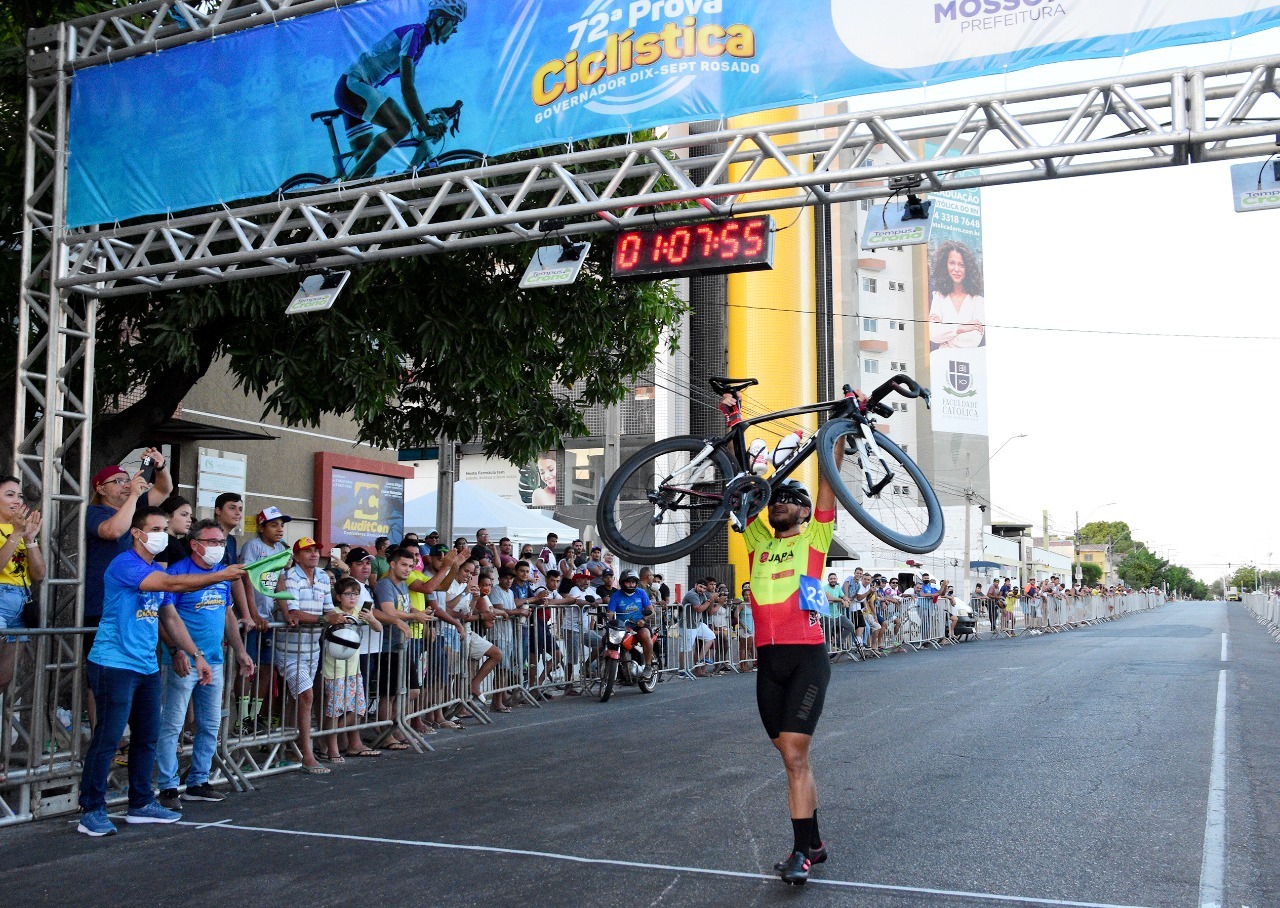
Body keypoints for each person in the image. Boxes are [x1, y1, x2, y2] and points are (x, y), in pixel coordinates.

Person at [77, 506, 244, 837]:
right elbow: (172, 584)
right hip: (114, 663)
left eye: (166, 529)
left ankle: (140, 803)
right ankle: (91, 809)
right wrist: (220, 575)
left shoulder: (153, 567)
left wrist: (194, 653)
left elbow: (169, 616)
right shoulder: (126, 563)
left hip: (145, 665)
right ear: (137, 534)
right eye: (156, 528)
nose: (163, 535)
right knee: (108, 738)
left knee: (147, 736)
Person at [742, 465, 843, 884]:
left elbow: (827, 487)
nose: (778, 503)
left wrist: (834, 437)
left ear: (804, 513)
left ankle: (802, 852)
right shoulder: (758, 544)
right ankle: (814, 843)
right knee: (790, 758)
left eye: (789, 499)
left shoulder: (815, 540)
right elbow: (744, 482)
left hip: (806, 659)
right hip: (769, 664)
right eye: (775, 498)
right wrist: (734, 422)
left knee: (796, 758)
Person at [154, 519, 255, 809]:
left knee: (210, 724)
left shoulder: (221, 576)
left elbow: (227, 616)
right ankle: (168, 786)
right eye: (212, 542)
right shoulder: (177, 574)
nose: (218, 548)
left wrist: (239, 651)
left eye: (222, 543)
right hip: (183, 661)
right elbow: (165, 616)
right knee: (172, 724)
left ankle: (198, 781)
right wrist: (176, 650)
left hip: (214, 660)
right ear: (195, 545)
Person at [334, 0, 467, 181]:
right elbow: (407, 88)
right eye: (455, 22)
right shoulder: (414, 35)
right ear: (441, 20)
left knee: (367, 172)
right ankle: (345, 188)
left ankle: (347, 186)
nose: (456, 29)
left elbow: (409, 88)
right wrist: (426, 127)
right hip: (353, 87)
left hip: (354, 91)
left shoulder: (420, 44)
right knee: (401, 125)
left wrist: (423, 121)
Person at [274, 537, 345, 773]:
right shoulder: (289, 577)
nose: (314, 554)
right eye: (307, 551)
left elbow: (328, 609)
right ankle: (306, 754)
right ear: (296, 556)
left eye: (316, 550)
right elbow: (292, 613)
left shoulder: (324, 578)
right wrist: (326, 619)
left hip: (312, 648)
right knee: (306, 696)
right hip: (289, 648)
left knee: (298, 700)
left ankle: (289, 748)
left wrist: (339, 616)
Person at [236, 506, 291, 734]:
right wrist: (252, 613)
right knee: (247, 668)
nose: (279, 529)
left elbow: (279, 582)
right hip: (251, 618)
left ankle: (255, 716)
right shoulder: (252, 546)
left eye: (281, 525)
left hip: (269, 618)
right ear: (261, 527)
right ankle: (241, 718)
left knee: (267, 668)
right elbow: (247, 580)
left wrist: (286, 612)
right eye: (273, 525)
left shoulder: (280, 549)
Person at [319, 577, 384, 763]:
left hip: (354, 669)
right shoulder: (334, 613)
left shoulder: (359, 611)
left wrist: (371, 618)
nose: (352, 598)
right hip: (335, 670)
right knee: (335, 710)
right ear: (339, 597)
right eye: (348, 594)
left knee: (358, 709)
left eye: (355, 594)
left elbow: (378, 628)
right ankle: (332, 748)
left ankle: (328, 736)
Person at [0, 476, 44, 692]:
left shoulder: (22, 530)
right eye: (9, 495)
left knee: (4, 678)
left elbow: (39, 573)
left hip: (21, 601)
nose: (17, 501)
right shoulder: (14, 530)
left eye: (20, 496)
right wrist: (16, 533)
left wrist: (30, 540)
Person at [928, 239, 985, 350]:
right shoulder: (938, 297)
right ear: (945, 265)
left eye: (961, 265)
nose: (956, 269)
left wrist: (944, 334)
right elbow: (932, 335)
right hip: (943, 361)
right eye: (952, 263)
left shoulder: (978, 301)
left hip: (969, 363)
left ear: (968, 268)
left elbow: (972, 340)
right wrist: (961, 328)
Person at [607, 570, 654, 670]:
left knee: (645, 635)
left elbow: (651, 610)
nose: (631, 585)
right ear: (622, 583)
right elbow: (610, 614)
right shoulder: (616, 596)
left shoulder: (641, 593)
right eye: (628, 582)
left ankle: (648, 666)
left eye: (633, 582)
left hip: (639, 625)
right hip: (622, 627)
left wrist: (643, 620)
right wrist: (608, 622)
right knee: (605, 640)